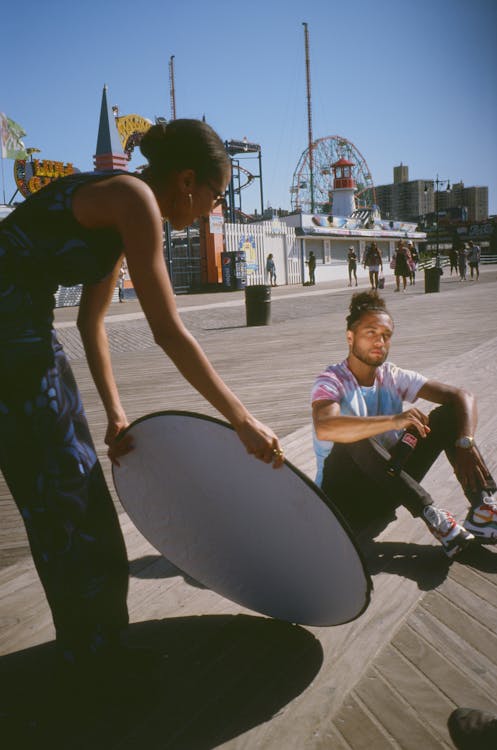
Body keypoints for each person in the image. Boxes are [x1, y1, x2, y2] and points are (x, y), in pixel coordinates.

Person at [0, 119, 285, 681]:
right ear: (186, 180)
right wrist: (243, 420)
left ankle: (92, 651)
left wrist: (115, 412)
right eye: (215, 196)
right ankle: (98, 663)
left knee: (62, 502)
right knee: (74, 505)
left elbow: (91, 322)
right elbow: (169, 330)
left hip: (22, 334)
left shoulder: (120, 206)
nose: (210, 210)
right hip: (13, 339)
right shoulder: (134, 199)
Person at [311, 290, 497, 557]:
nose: (379, 342)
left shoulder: (392, 375)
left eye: (386, 336)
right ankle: (431, 514)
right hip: (343, 502)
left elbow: (462, 396)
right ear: (350, 337)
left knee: (449, 415)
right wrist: (393, 421)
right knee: (352, 435)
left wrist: (465, 443)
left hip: (387, 489)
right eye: (370, 333)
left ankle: (483, 510)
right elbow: (325, 426)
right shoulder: (332, 380)